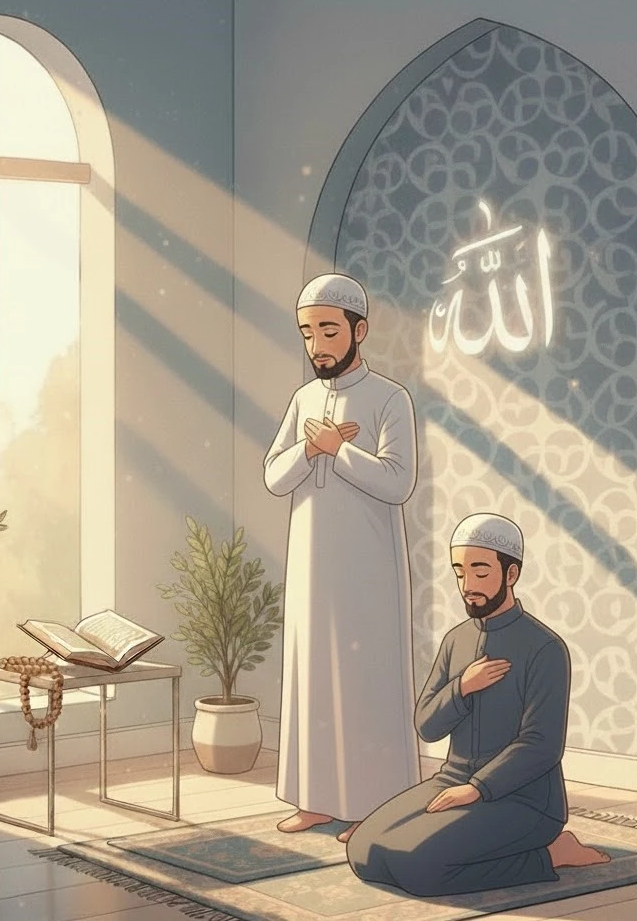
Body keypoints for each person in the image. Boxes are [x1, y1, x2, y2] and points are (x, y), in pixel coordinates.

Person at [346, 512, 610, 896]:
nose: (467, 585)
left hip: (523, 800)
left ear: (511, 574)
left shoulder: (545, 648)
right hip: (452, 781)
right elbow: (426, 725)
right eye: (459, 572)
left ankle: (552, 853)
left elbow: (541, 745)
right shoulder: (456, 640)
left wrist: (477, 788)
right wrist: (461, 689)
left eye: (480, 572)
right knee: (364, 851)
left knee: (419, 868)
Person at [264, 272, 420, 844]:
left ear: (360, 330)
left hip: (368, 571)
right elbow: (274, 476)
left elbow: (398, 482)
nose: (317, 346)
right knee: (312, 677)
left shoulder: (389, 399)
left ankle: (372, 805)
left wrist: (341, 450)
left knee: (364, 681)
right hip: (311, 568)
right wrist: (309, 447)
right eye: (308, 333)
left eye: (328, 331)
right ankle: (315, 799)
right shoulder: (303, 400)